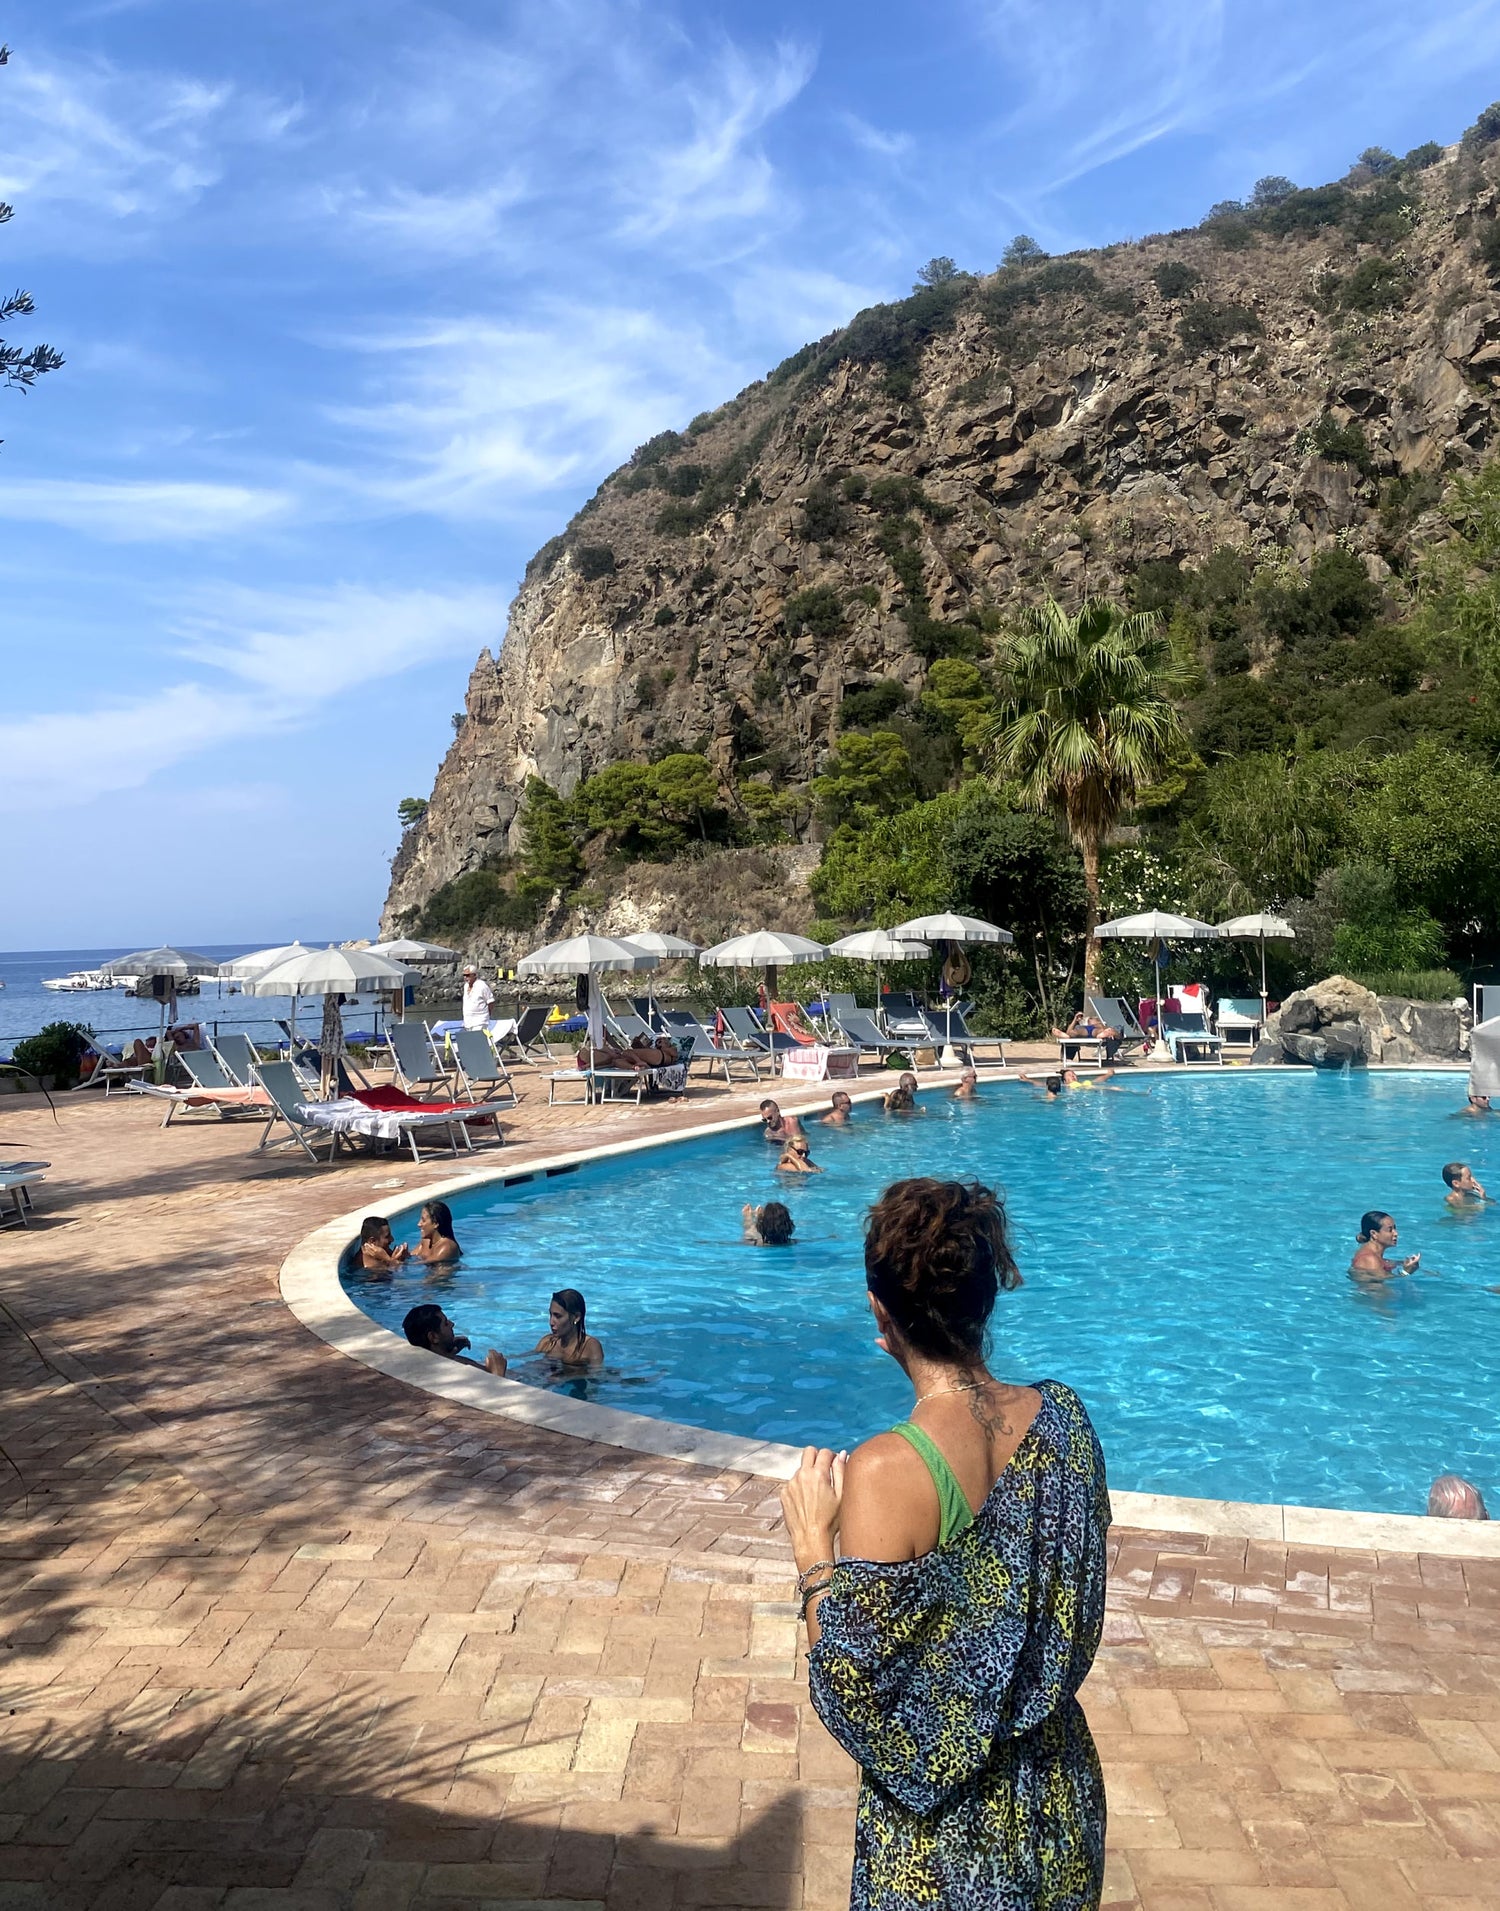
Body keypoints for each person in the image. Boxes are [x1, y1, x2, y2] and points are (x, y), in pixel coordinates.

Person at [780, 1177, 1108, 1910]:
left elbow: (863, 1701)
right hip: (1059, 1798)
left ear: (879, 1309)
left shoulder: (885, 1470)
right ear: (986, 1298)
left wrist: (811, 1550)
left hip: (947, 1845)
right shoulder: (1068, 1420)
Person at [490, 1289, 604, 1374]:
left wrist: (565, 1377)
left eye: (558, 1316)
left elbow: (597, 1377)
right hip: (545, 1377)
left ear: (576, 1317)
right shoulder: (548, 1341)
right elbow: (525, 1357)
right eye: (550, 1314)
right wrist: (502, 1358)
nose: (551, 1322)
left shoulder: (590, 1346)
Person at [402, 1302, 505, 1374]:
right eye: (446, 1324)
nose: (452, 1324)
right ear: (433, 1337)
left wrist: (447, 1351)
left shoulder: (436, 1360)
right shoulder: (453, 1373)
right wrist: (498, 1373)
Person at [1350, 1211, 1420, 1282]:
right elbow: (1382, 1286)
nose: (1396, 1233)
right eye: (1390, 1230)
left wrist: (1406, 1264)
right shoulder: (1370, 1259)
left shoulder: (1372, 1255)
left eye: (1395, 1228)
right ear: (1374, 1234)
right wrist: (1406, 1272)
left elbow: (1384, 1265)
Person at [412, 1199, 461, 1264]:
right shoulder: (426, 1241)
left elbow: (418, 1264)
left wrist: (396, 1262)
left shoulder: (447, 1247)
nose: (419, 1224)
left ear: (435, 1223)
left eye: (423, 1220)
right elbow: (411, 1257)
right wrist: (403, 1256)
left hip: (443, 1272)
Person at [461, 964, 494, 1032]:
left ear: (474, 975)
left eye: (467, 975)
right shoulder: (466, 986)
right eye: (464, 975)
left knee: (477, 1041)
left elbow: (490, 1001)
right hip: (468, 1022)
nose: (465, 977)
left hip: (480, 1021)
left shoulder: (482, 986)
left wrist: (488, 1014)